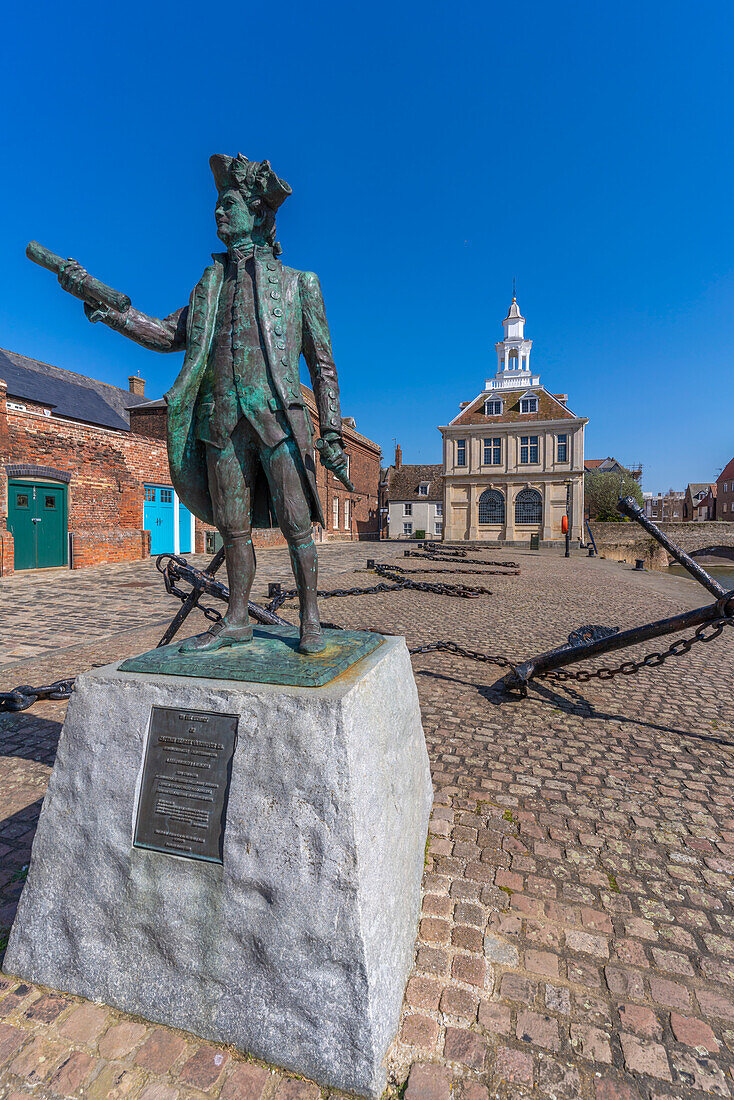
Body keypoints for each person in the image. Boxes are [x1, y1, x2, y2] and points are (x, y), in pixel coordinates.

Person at [62, 153, 350, 654]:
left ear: (260, 214)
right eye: (218, 203)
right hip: (221, 421)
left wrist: (330, 432)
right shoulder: (209, 286)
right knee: (232, 528)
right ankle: (236, 620)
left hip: (278, 419)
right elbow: (164, 333)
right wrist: (102, 305)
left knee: (296, 524)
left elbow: (322, 365)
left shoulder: (300, 284)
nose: (219, 211)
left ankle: (310, 617)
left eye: (231, 203)